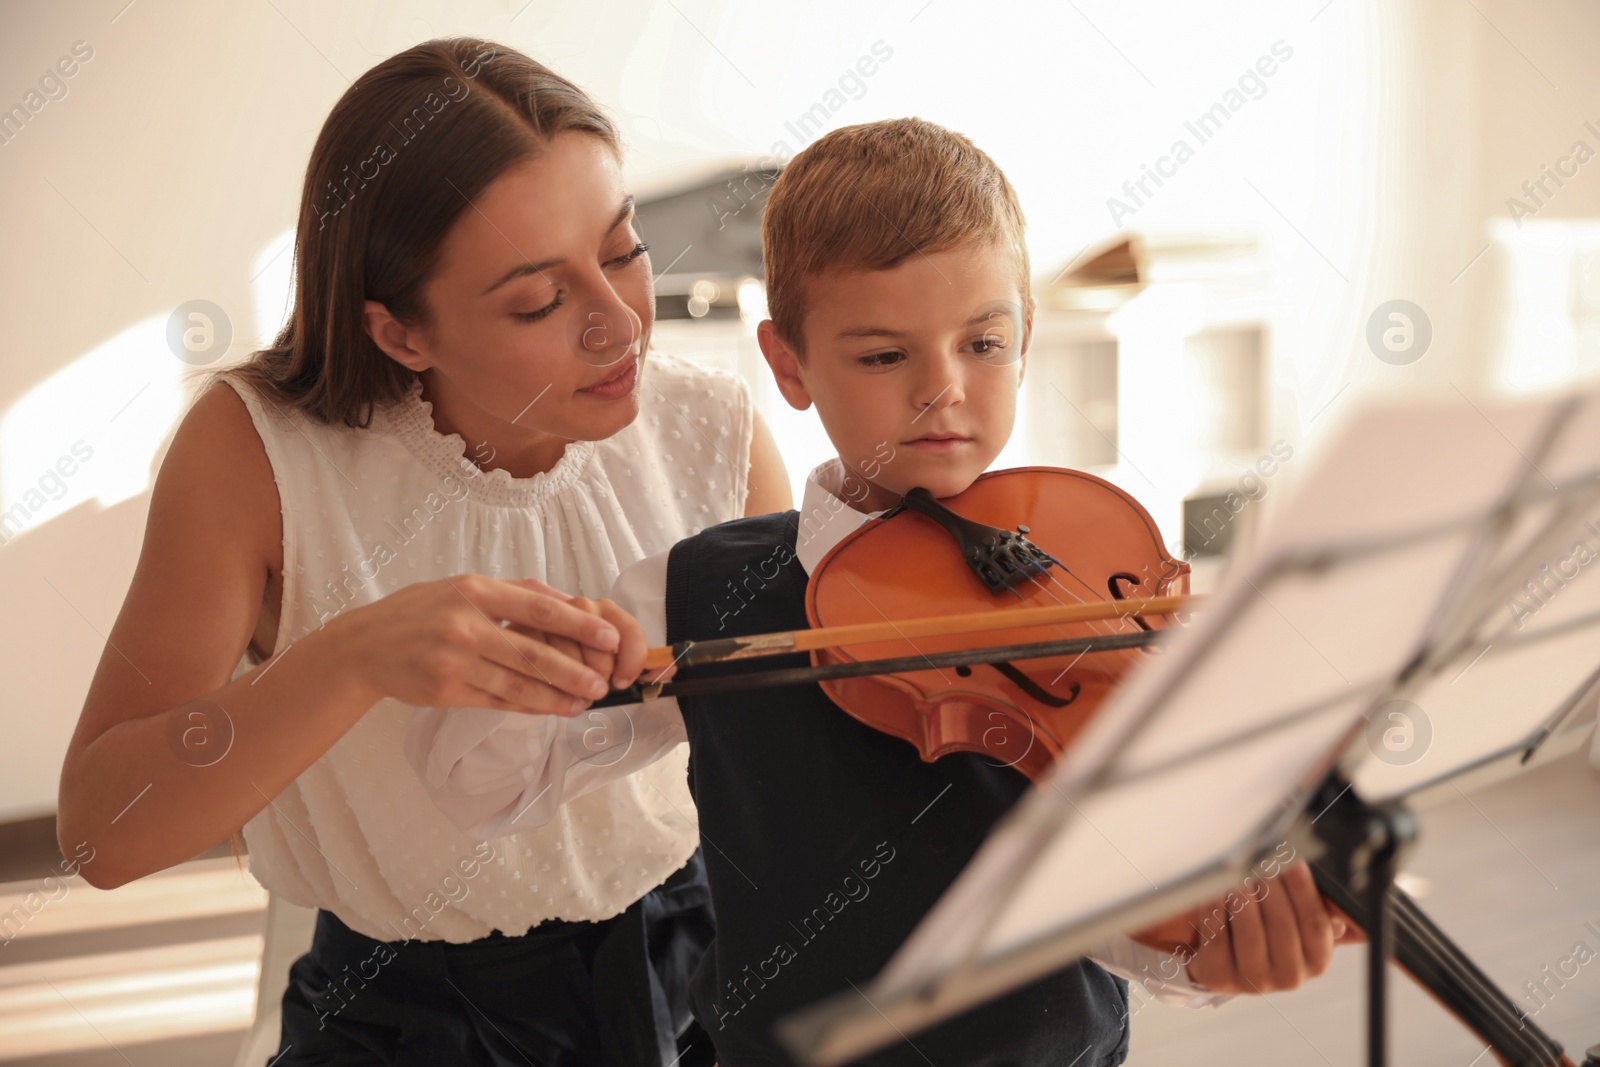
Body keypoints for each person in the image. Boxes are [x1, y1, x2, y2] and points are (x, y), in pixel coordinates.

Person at [412, 117, 1359, 1067]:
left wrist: (1205, 940)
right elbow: (476, 783)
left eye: (982, 342)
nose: (940, 389)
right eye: (881, 356)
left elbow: (1114, 892)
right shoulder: (704, 592)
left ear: (1025, 333)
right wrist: (551, 662)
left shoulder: (1092, 570)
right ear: (788, 363)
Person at [56, 37, 790, 1067]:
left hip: (699, 967)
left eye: (623, 250)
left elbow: (791, 748)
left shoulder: (707, 426)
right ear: (400, 332)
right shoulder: (258, 451)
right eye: (540, 300)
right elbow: (101, 832)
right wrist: (350, 657)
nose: (619, 322)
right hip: (406, 1012)